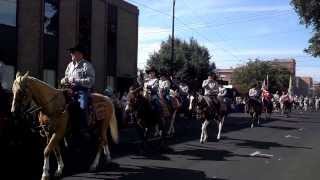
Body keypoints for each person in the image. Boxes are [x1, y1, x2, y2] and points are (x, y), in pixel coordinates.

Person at [61, 44, 95, 130]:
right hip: (69, 90)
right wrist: (63, 80)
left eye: (73, 52)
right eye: (71, 52)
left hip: (82, 91)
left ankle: (84, 128)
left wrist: (76, 81)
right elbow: (65, 77)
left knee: (82, 107)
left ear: (80, 54)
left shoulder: (86, 65)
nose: (71, 54)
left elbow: (91, 80)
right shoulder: (70, 65)